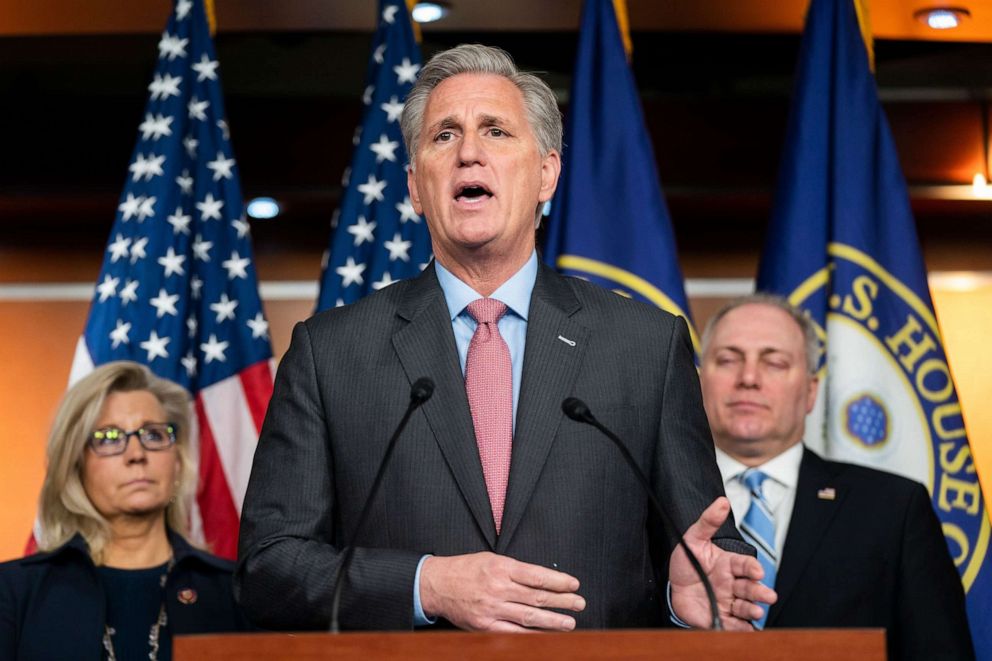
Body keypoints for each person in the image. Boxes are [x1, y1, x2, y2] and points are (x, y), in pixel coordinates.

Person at [236, 44, 774, 632]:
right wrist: (427, 584)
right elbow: (270, 569)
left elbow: (703, 551)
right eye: (444, 136)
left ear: (546, 173)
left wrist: (687, 601)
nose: (469, 153)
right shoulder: (330, 353)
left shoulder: (645, 347)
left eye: (495, 131)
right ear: (416, 187)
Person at [698, 294, 974, 660]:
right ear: (697, 381)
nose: (749, 378)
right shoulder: (647, 499)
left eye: (775, 362)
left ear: (811, 391)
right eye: (729, 360)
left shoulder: (892, 508)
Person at [0, 361, 249, 661]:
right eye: (109, 438)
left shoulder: (237, 592)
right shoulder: (13, 592)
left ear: (178, 461)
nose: (137, 454)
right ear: (75, 465)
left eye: (154, 435)